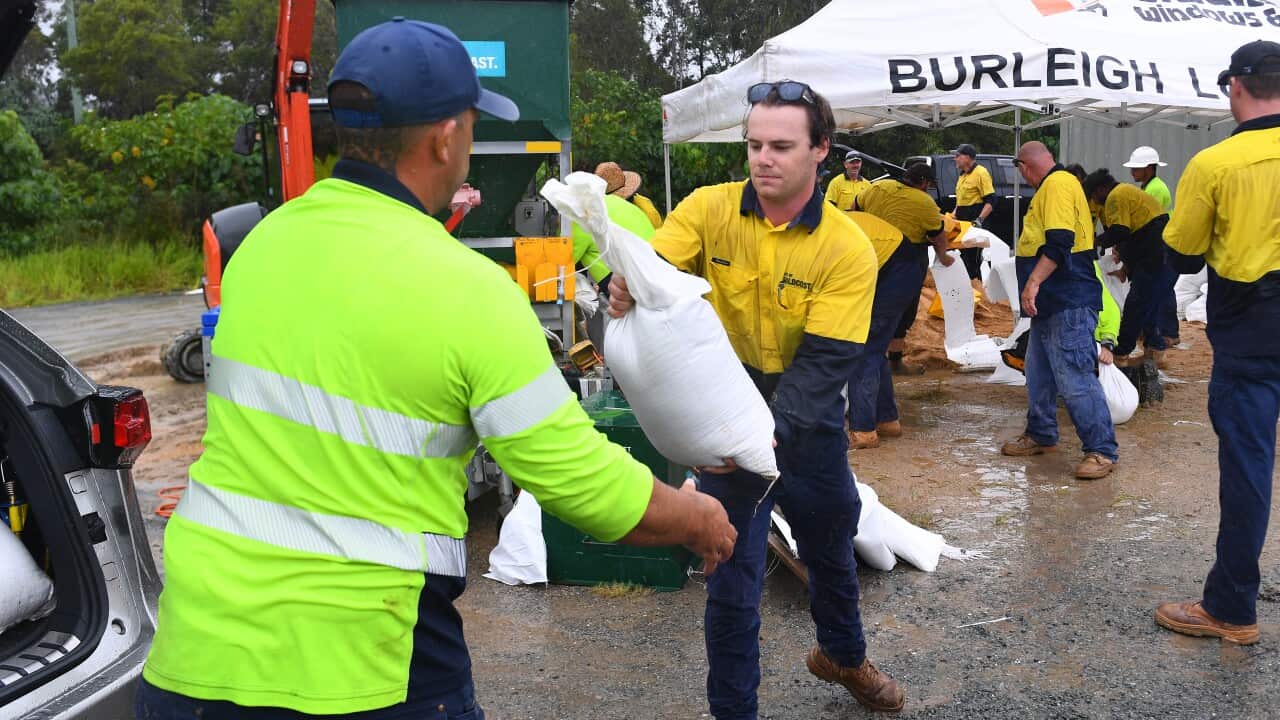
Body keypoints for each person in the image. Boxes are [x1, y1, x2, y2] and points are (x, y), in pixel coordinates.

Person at [134, 19, 737, 720]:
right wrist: (697, 517)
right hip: (365, 664)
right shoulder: (468, 290)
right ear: (447, 138)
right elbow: (583, 485)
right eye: (474, 123)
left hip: (193, 658)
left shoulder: (263, 247)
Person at [609, 80, 904, 716]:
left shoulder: (846, 247)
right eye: (754, 145)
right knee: (731, 574)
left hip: (807, 415)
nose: (763, 159)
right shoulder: (708, 209)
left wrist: (763, 435)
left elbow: (826, 363)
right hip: (725, 404)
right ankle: (733, 710)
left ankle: (842, 656)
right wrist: (626, 282)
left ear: (821, 149)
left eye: (781, 146)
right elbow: (653, 270)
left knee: (829, 540)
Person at [1155, 39, 1280, 646]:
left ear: (1235, 86)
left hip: (1253, 331)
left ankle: (1231, 608)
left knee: (1249, 468)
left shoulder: (1216, 164)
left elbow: (1182, 253)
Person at [1000, 141, 1118, 480]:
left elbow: (1060, 240)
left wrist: (1033, 282)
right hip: (1051, 303)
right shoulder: (1056, 186)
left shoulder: (1057, 185)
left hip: (1067, 299)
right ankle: (1041, 433)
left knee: (1075, 377)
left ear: (1023, 166)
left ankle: (1101, 450)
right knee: (1039, 373)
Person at [856, 161, 952, 377]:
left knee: (865, 305)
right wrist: (944, 257)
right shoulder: (925, 202)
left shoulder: (877, 187)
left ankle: (862, 354)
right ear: (923, 182)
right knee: (902, 311)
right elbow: (938, 236)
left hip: (869, 253)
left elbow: (855, 209)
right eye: (928, 184)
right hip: (905, 260)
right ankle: (893, 362)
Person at [843, 211, 927, 450]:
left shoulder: (820, 236)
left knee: (864, 349)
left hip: (896, 269)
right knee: (874, 349)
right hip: (893, 264)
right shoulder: (822, 225)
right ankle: (887, 421)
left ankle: (863, 431)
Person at [1081, 169, 1175, 382]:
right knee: (1146, 301)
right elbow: (1130, 235)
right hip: (1154, 247)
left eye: (1094, 196)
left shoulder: (1116, 196)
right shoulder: (1126, 192)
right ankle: (1155, 349)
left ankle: (1122, 352)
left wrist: (1096, 242)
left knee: (1136, 302)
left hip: (1154, 248)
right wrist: (1127, 266)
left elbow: (1121, 232)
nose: (1095, 202)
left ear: (1101, 189)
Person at [952, 143, 997, 282]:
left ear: (967, 157)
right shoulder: (962, 175)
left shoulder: (981, 173)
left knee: (974, 260)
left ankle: (977, 288)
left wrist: (979, 220)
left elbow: (991, 200)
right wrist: (952, 216)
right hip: (962, 222)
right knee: (963, 258)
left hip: (975, 222)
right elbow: (960, 202)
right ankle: (967, 287)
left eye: (958, 156)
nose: (955, 159)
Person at [1123, 146, 1172, 211]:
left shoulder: (1155, 189)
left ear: (1149, 168)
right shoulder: (1150, 186)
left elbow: (1146, 216)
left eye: (1136, 169)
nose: (1132, 173)